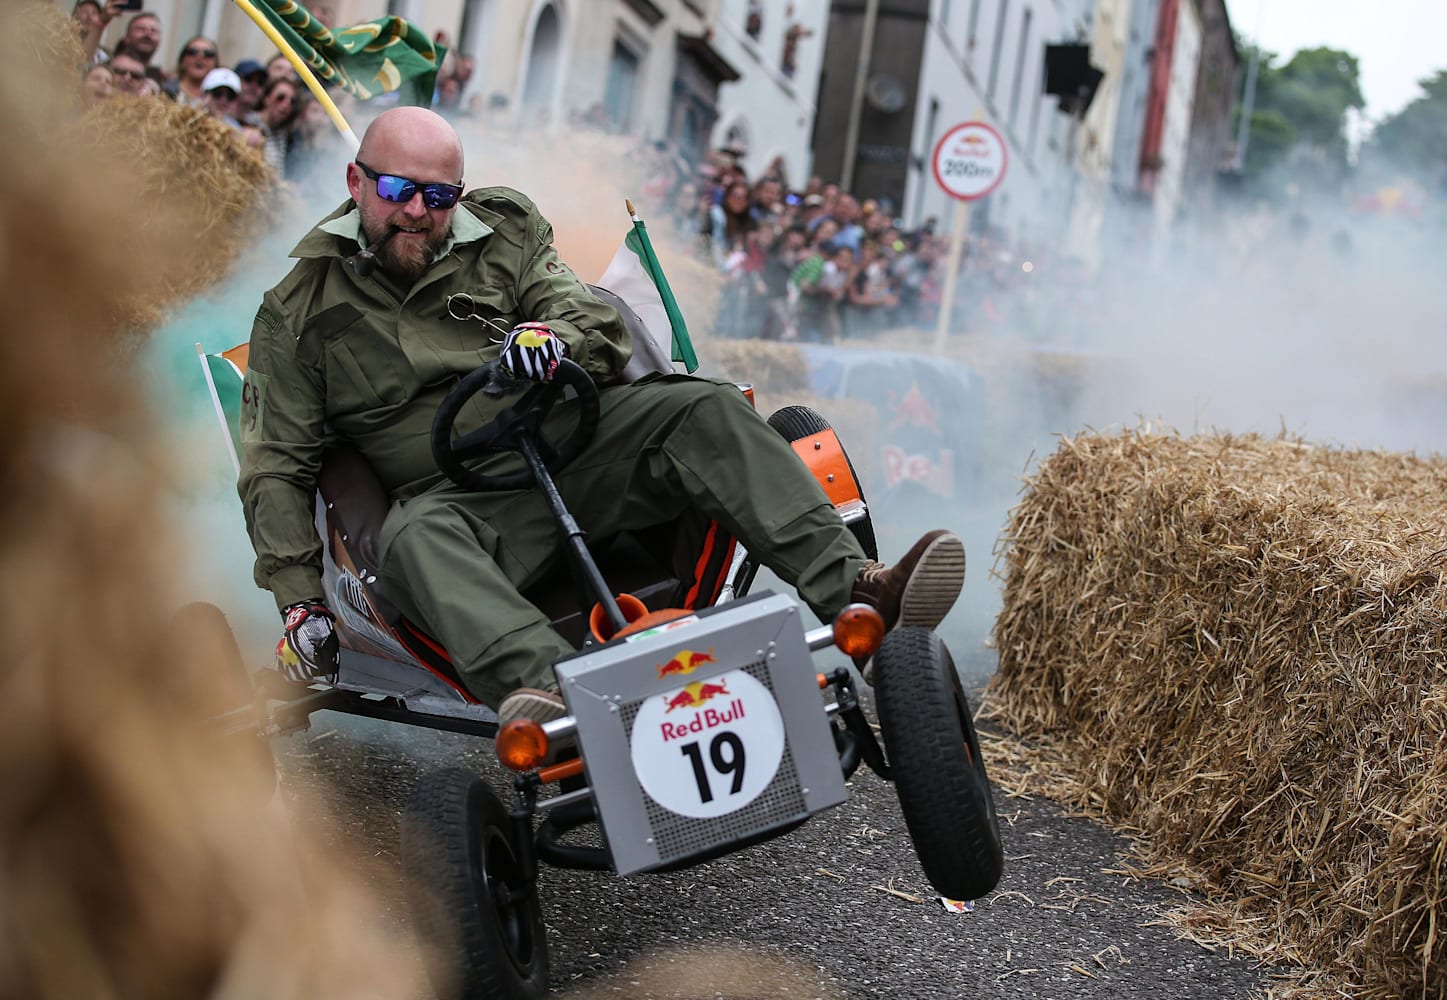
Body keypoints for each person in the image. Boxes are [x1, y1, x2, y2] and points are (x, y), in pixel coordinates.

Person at [238, 107, 965, 727]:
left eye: (439, 196)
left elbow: (580, 309)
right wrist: (301, 606)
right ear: (355, 182)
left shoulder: (505, 227)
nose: (418, 213)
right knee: (412, 538)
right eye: (398, 190)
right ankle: (556, 697)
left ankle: (861, 597)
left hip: (572, 450)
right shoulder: (298, 310)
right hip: (461, 512)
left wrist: (551, 337)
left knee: (702, 406)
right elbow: (276, 463)